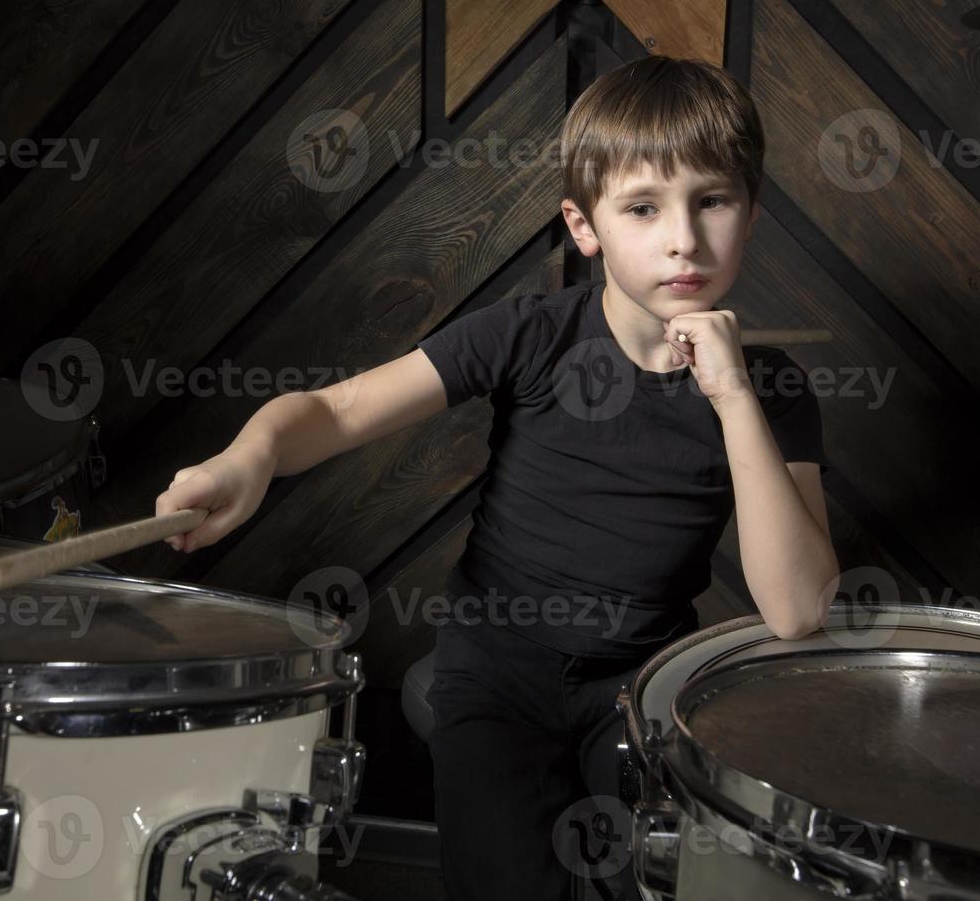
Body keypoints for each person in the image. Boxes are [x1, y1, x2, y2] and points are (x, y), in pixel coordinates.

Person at [154, 55, 840, 900]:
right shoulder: (530, 335)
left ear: (751, 213)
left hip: (639, 679)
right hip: (497, 669)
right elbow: (334, 412)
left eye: (713, 201)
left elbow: (798, 608)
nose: (684, 240)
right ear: (584, 227)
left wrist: (733, 396)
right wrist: (246, 458)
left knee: (679, 879)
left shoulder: (771, 388)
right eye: (642, 208)